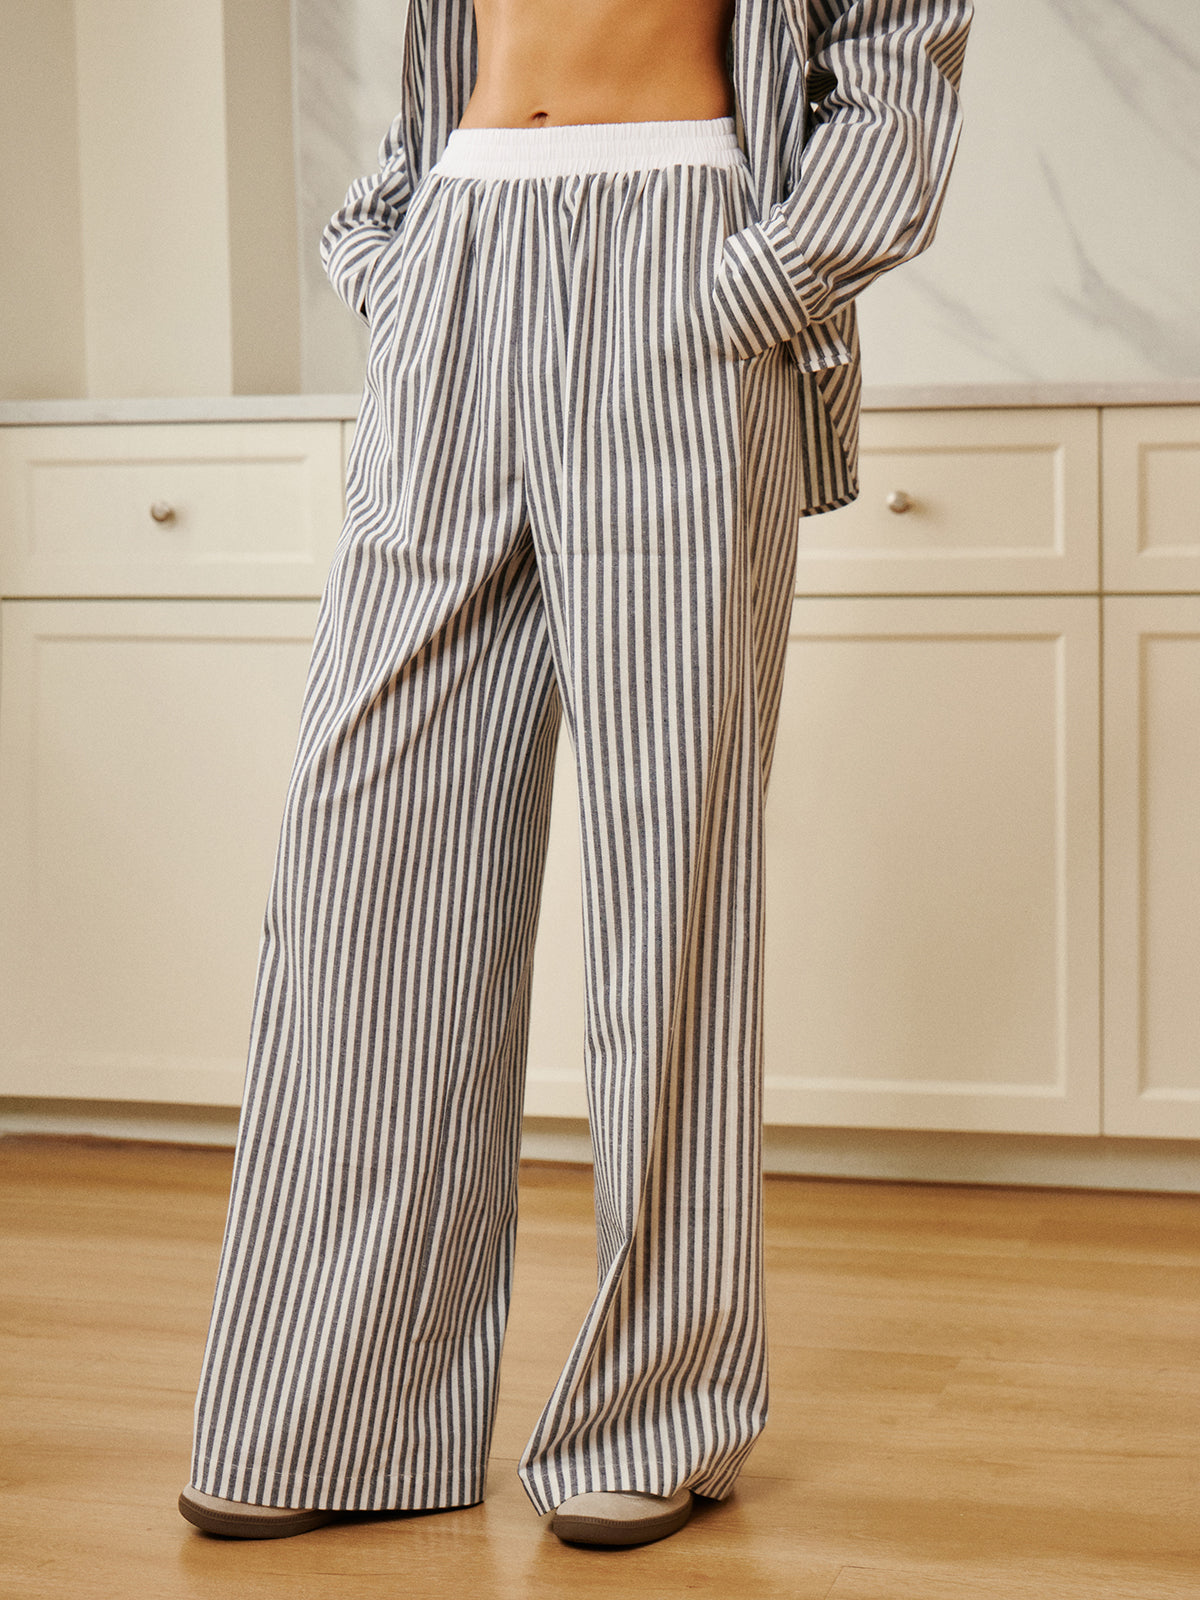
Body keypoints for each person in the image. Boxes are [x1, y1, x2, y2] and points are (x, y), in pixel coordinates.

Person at [179, 0, 972, 1551]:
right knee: (362, 861)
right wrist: (397, 252)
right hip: (464, 248)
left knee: (673, 864)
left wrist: (764, 276)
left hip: (683, 246)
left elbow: (894, 61)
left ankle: (657, 1407)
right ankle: (338, 1406)